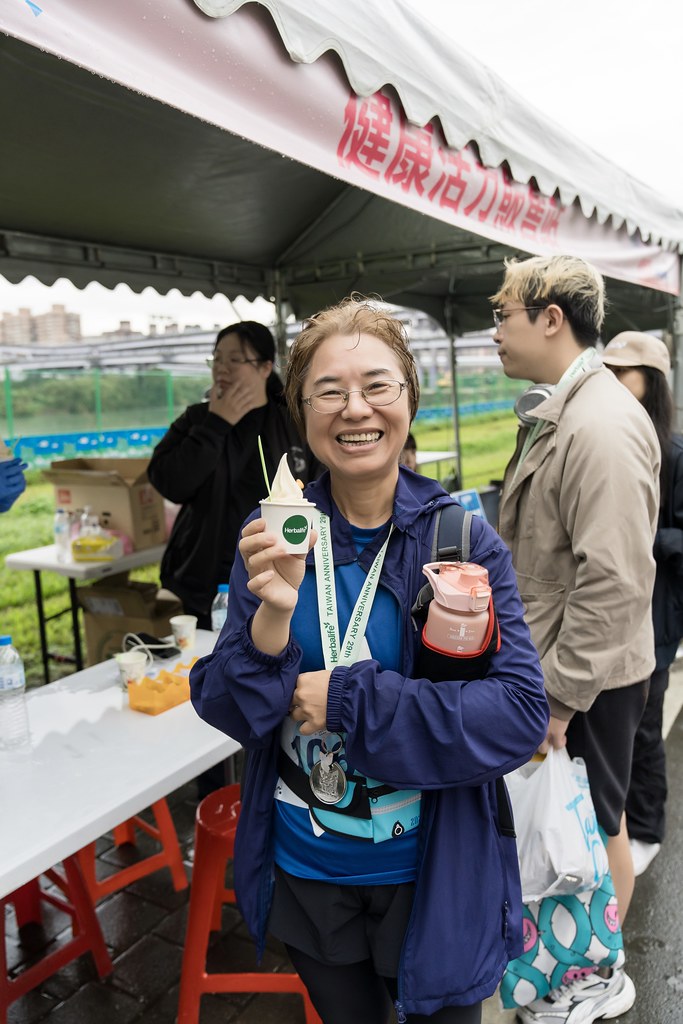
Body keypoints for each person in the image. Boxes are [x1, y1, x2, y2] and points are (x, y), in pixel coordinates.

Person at [190, 297, 549, 1023]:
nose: (355, 409)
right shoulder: (272, 535)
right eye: (329, 390)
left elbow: (516, 715)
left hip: (436, 873)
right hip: (308, 870)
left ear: (408, 399)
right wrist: (273, 614)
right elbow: (228, 709)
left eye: (377, 385)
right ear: (300, 411)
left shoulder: (459, 539)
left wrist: (350, 701)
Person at [492, 255, 660, 1024]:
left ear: (550, 317)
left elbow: (616, 579)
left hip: (585, 670)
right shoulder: (566, 407)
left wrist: (557, 698)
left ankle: (599, 978)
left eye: (503, 313)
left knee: (594, 826)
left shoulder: (598, 423)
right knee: (580, 823)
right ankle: (577, 973)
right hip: (566, 660)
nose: (493, 329)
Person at [148, 321, 315, 630]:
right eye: (217, 358)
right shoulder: (198, 419)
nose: (222, 367)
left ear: (266, 367)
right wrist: (217, 423)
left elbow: (318, 490)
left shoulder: (293, 421)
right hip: (204, 581)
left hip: (276, 572)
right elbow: (169, 482)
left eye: (235, 359)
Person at [602, 331, 683, 877]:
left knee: (645, 723)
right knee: (615, 727)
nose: (611, 381)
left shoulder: (673, 453)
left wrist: (644, 534)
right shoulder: (611, 441)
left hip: (657, 612)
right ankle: (622, 823)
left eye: (622, 371)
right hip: (616, 612)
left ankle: (648, 828)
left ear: (650, 381)